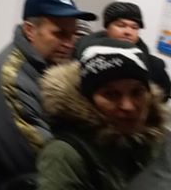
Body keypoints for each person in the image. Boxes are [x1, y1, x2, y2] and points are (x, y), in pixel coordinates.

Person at [0, 0, 96, 190]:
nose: (69, 43)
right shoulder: (11, 77)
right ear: (30, 30)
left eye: (73, 34)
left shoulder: (50, 67)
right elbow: (42, 157)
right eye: (60, 34)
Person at [37, 37, 167, 190]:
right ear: (89, 99)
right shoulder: (65, 155)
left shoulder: (155, 140)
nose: (128, 106)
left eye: (137, 92)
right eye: (111, 94)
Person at [99, 1, 170, 101]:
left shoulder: (155, 65)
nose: (128, 32)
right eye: (121, 25)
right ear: (107, 28)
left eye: (134, 27)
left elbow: (163, 99)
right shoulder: (90, 57)